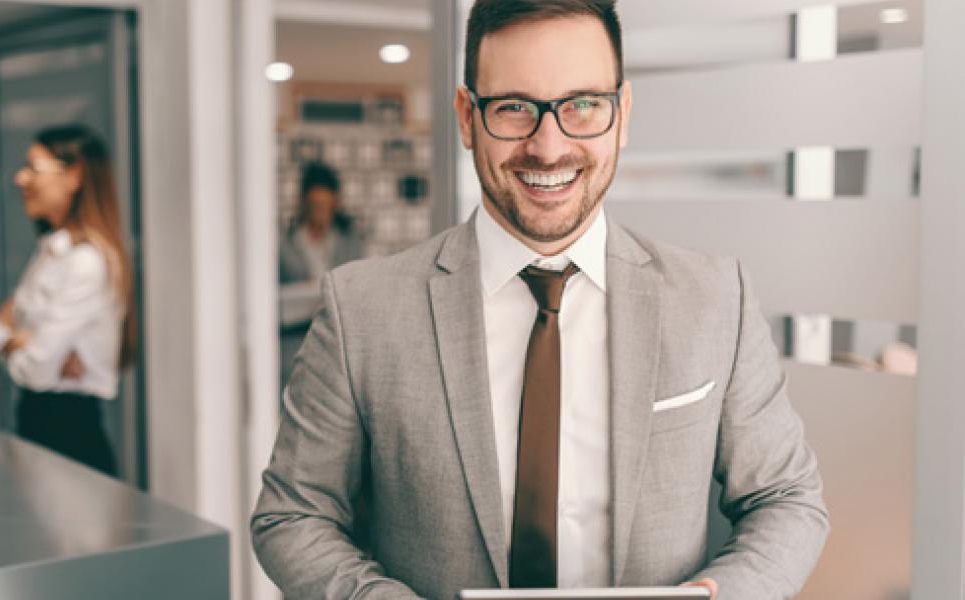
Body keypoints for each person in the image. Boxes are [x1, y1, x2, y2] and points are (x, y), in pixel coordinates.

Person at [252, 1, 828, 598]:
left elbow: (787, 499)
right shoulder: (361, 309)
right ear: (466, 117)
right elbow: (291, 516)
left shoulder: (715, 300)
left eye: (582, 105)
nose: (548, 148)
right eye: (513, 108)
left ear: (622, 115)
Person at [0, 124, 135, 477]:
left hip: (68, 436)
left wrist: (20, 340)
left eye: (34, 168)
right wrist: (21, 342)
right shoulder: (52, 252)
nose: (20, 178)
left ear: (75, 175)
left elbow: (34, 371)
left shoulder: (86, 262)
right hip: (38, 427)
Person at [278, 161, 364, 285]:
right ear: (304, 203)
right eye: (316, 206)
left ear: (335, 204)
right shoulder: (285, 245)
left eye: (326, 206)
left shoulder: (351, 243)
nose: (321, 214)